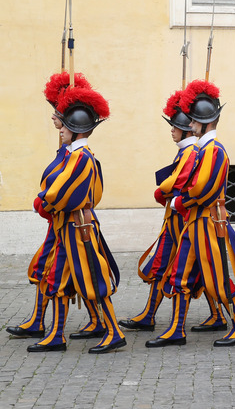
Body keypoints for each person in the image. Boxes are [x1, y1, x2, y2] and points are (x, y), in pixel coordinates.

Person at [147, 80, 235, 347]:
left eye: (194, 121)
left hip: (208, 221)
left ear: (205, 124)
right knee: (180, 275)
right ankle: (176, 329)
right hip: (196, 222)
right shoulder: (204, 150)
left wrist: (182, 199)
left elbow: (201, 187)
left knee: (218, 277)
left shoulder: (214, 151)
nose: (189, 126)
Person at [32, 85, 126, 353]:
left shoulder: (81, 157)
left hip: (77, 226)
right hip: (68, 226)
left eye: (65, 125)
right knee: (57, 280)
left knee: (93, 279)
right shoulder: (76, 155)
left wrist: (44, 201)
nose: (60, 128)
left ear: (77, 129)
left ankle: (114, 332)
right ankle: (56, 335)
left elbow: (62, 191)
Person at [7, 72, 92, 340]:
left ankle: (102, 325)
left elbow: (69, 187)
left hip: (74, 221)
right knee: (48, 269)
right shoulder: (67, 149)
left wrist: (45, 200)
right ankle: (40, 322)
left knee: (83, 275)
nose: (54, 118)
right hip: (60, 221)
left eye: (58, 113)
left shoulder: (81, 154)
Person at [119, 90, 197, 332]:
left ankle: (221, 318)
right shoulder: (185, 150)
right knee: (159, 265)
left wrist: (164, 191)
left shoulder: (193, 152)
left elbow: (178, 183)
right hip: (173, 220)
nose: (171, 130)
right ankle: (149, 315)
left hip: (186, 220)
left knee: (199, 272)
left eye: (175, 126)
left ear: (186, 129)